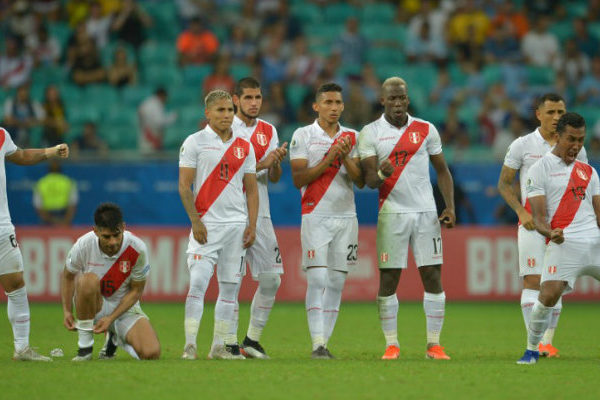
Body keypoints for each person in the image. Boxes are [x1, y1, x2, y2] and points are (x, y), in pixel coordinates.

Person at [358, 77, 455, 360]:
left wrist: (449, 206)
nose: (398, 103)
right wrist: (381, 174)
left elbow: (443, 171)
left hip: (426, 214)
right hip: (392, 214)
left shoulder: (426, 129)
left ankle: (434, 345)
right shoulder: (370, 132)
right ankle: (392, 344)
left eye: (402, 98)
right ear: (383, 101)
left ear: (408, 99)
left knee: (432, 276)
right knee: (389, 279)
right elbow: (367, 182)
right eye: (392, 99)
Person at [497, 94, 587, 358]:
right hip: (532, 224)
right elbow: (504, 183)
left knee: (555, 282)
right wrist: (520, 210)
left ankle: (547, 342)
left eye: (561, 111)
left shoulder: (577, 148)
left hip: (564, 226)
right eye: (551, 112)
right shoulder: (522, 145)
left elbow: (582, 184)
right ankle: (534, 343)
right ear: (538, 114)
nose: (556, 117)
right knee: (533, 280)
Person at [179, 90, 258, 360]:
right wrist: (195, 220)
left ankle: (218, 347)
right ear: (208, 114)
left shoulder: (244, 145)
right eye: (220, 111)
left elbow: (252, 190)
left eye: (229, 110)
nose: (226, 115)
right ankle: (190, 345)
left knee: (229, 289)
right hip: (206, 226)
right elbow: (184, 186)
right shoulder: (195, 142)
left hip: (236, 226)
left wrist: (252, 224)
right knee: (198, 283)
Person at [517, 112, 600, 364]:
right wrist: (549, 232)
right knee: (548, 296)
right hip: (563, 243)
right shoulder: (538, 170)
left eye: (581, 140)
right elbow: (539, 217)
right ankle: (532, 349)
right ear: (557, 137)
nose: (576, 146)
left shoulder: (589, 172)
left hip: (594, 243)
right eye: (571, 139)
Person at [289, 83, 364, 359]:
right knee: (317, 277)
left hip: (346, 216)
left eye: (338, 103)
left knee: (336, 282)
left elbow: (360, 180)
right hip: (315, 215)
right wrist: (330, 157)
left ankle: (323, 345)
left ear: (343, 106)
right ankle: (317, 343)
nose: (334, 108)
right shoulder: (303, 135)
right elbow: (299, 179)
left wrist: (344, 156)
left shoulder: (353, 137)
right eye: (328, 102)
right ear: (316, 106)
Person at [0, 126, 68, 361]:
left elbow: (21, 155)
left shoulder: (0, 135)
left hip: (2, 226)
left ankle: (22, 348)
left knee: (16, 283)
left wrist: (51, 151)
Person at [231, 77, 287, 359]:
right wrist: (262, 163)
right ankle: (226, 343)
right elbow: (227, 171)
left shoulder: (269, 130)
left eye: (258, 98)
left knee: (272, 279)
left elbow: (272, 177)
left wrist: (276, 161)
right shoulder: (226, 127)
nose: (254, 103)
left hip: (261, 213)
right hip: (230, 212)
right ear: (235, 99)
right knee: (232, 279)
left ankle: (251, 340)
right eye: (249, 98)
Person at [61, 203, 160, 361]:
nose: (113, 242)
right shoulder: (83, 245)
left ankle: (114, 337)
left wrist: (111, 318)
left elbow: (136, 291)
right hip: (93, 305)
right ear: (96, 231)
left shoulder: (137, 248)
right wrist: (67, 310)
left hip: (123, 309)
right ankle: (85, 348)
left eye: (116, 235)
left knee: (151, 353)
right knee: (87, 280)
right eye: (107, 237)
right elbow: (68, 276)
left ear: (123, 227)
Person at [33, 159, 78, 226]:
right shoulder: (68, 181)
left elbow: (38, 206)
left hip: (47, 219)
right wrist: (65, 221)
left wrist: (51, 221)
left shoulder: (41, 182)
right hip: (63, 217)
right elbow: (73, 204)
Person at [137, 88, 177, 153]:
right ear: (162, 96)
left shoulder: (147, 102)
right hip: (150, 137)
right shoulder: (156, 104)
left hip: (146, 135)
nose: (166, 100)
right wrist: (172, 117)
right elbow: (159, 122)